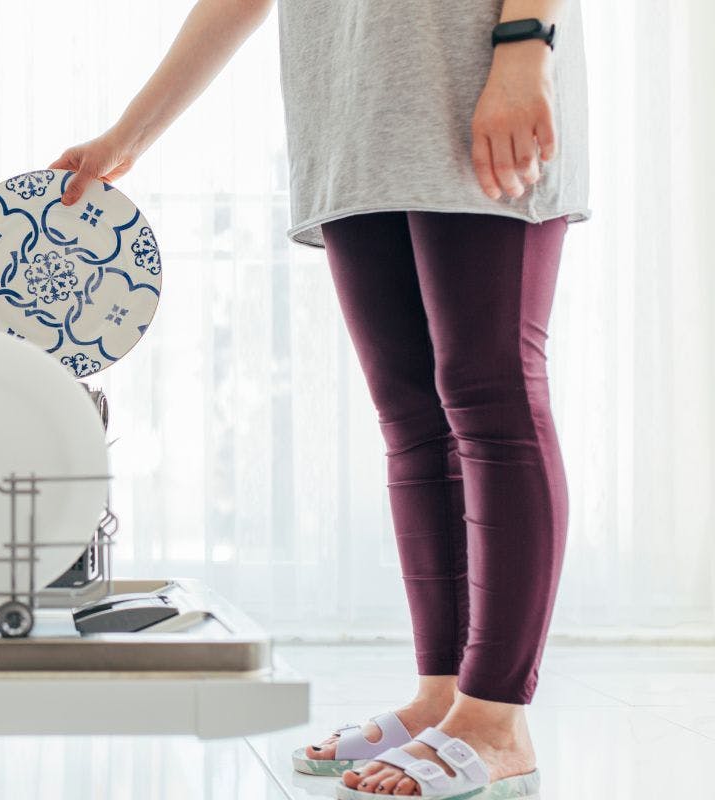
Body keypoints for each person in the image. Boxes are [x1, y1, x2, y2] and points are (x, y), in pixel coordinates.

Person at [51, 0, 589, 797]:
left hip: (480, 70)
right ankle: (444, 692)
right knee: (412, 422)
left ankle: (495, 718)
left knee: (490, 394)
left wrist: (525, 41)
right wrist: (127, 137)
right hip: (350, 110)